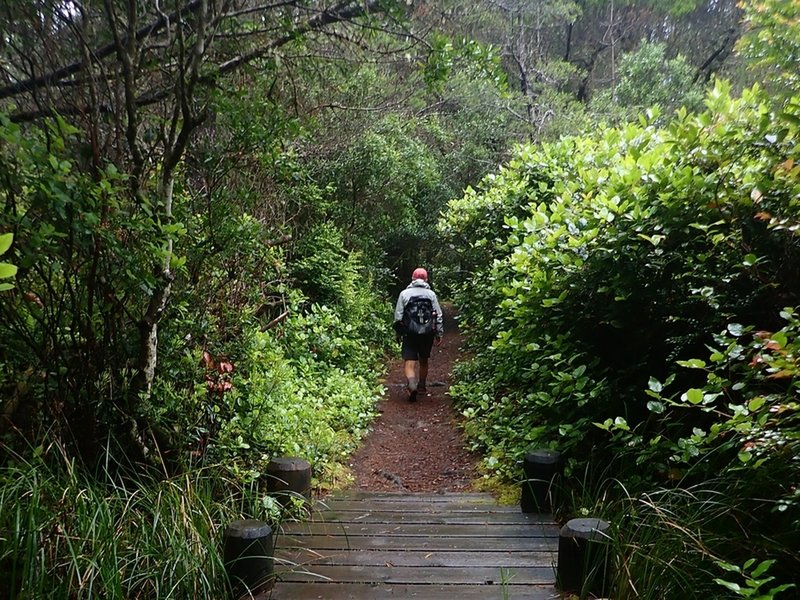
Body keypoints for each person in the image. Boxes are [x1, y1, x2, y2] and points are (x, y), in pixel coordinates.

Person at [393, 267, 444, 401]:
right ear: (426, 280)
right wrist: (439, 333)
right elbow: (438, 315)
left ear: (413, 279)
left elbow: (398, 316)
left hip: (410, 332)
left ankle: (411, 384)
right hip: (427, 333)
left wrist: (398, 333)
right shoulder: (431, 294)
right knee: (424, 360)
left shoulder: (404, 294)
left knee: (409, 361)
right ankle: (421, 386)